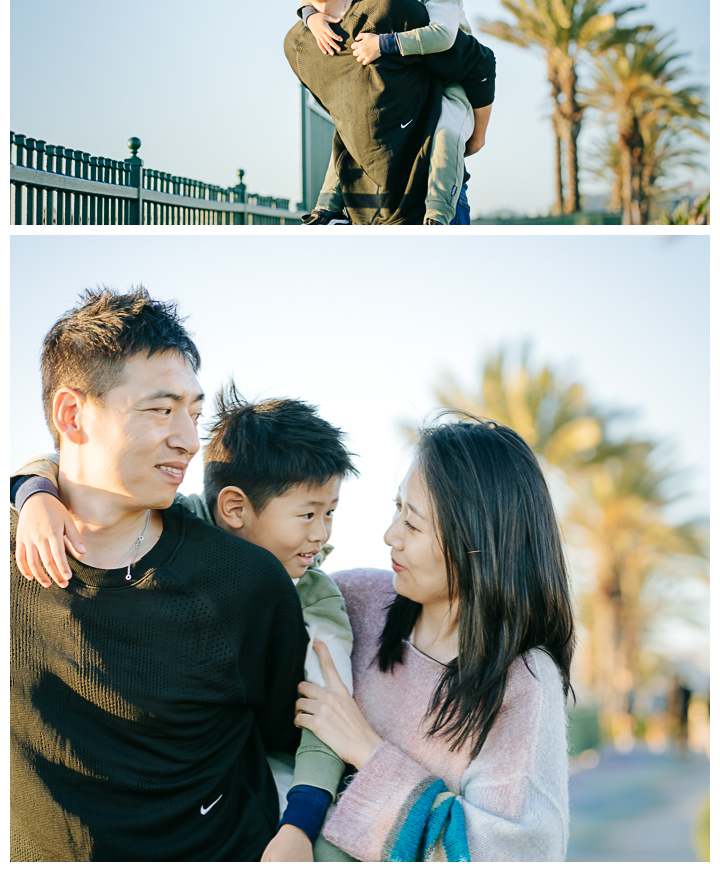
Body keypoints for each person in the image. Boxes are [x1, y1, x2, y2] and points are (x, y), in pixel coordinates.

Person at [10, 288, 307, 862]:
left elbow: (291, 741)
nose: (190, 441)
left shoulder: (245, 584)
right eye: (160, 409)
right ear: (73, 416)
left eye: (194, 413)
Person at [296, 416, 575, 861]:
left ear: (476, 543)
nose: (390, 535)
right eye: (397, 508)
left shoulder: (521, 683)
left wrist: (366, 751)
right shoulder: (350, 599)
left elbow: (509, 857)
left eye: (414, 524)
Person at [281, 0, 496, 226]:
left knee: (446, 130)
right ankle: (325, 210)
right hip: (366, 209)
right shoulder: (302, 42)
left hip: (448, 100)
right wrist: (311, 17)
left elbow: (464, 52)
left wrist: (478, 136)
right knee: (346, 125)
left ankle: (437, 214)